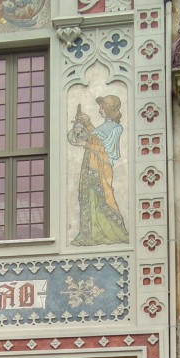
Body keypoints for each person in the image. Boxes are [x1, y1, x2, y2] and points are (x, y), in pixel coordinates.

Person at [68, 96, 129, 246]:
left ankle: (115, 233)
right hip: (89, 166)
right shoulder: (103, 126)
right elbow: (92, 138)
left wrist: (86, 138)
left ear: (109, 108)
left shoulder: (116, 128)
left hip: (101, 169)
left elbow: (106, 151)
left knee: (103, 199)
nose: (100, 109)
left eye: (102, 107)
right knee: (87, 199)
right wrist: (81, 125)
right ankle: (88, 234)